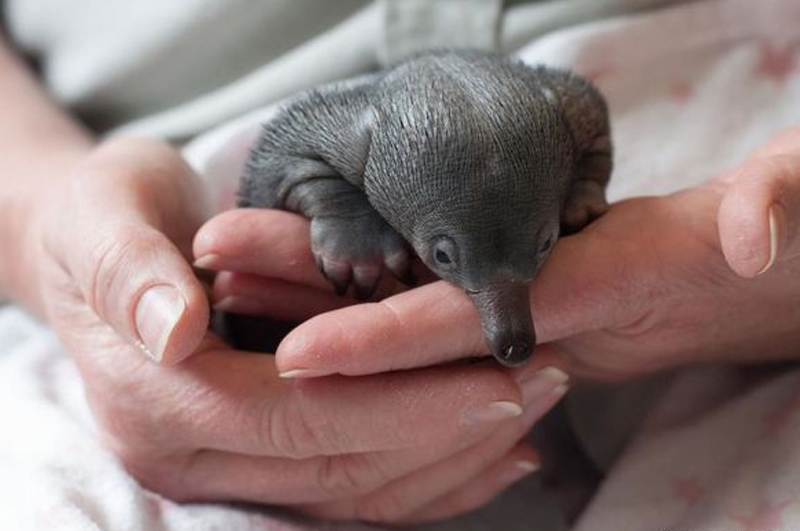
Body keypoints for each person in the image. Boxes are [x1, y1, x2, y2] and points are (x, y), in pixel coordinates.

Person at [1, 0, 799, 529]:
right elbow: (288, 154)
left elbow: (585, 124)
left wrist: (588, 192)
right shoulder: (339, 138)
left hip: (717, 159)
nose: (507, 323)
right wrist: (38, 217)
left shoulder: (571, 116)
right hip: (173, 239)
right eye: (450, 259)